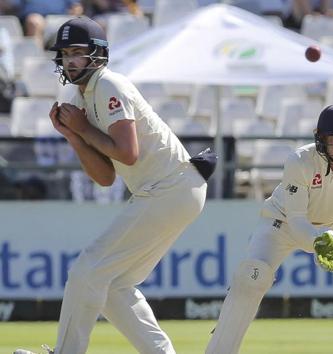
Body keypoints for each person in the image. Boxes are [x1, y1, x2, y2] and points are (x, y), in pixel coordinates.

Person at [14, 16, 210, 354]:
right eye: (64, 54)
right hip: (169, 191)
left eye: (77, 52)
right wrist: (74, 136)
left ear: (98, 54)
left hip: (170, 187)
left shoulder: (108, 85)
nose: (70, 60)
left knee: (87, 270)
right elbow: (105, 177)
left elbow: (128, 154)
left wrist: (84, 130)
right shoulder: (79, 98)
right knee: (114, 285)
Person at [205, 104, 333, 354]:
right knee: (251, 276)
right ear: (321, 138)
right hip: (281, 223)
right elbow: (298, 221)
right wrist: (320, 243)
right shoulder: (300, 161)